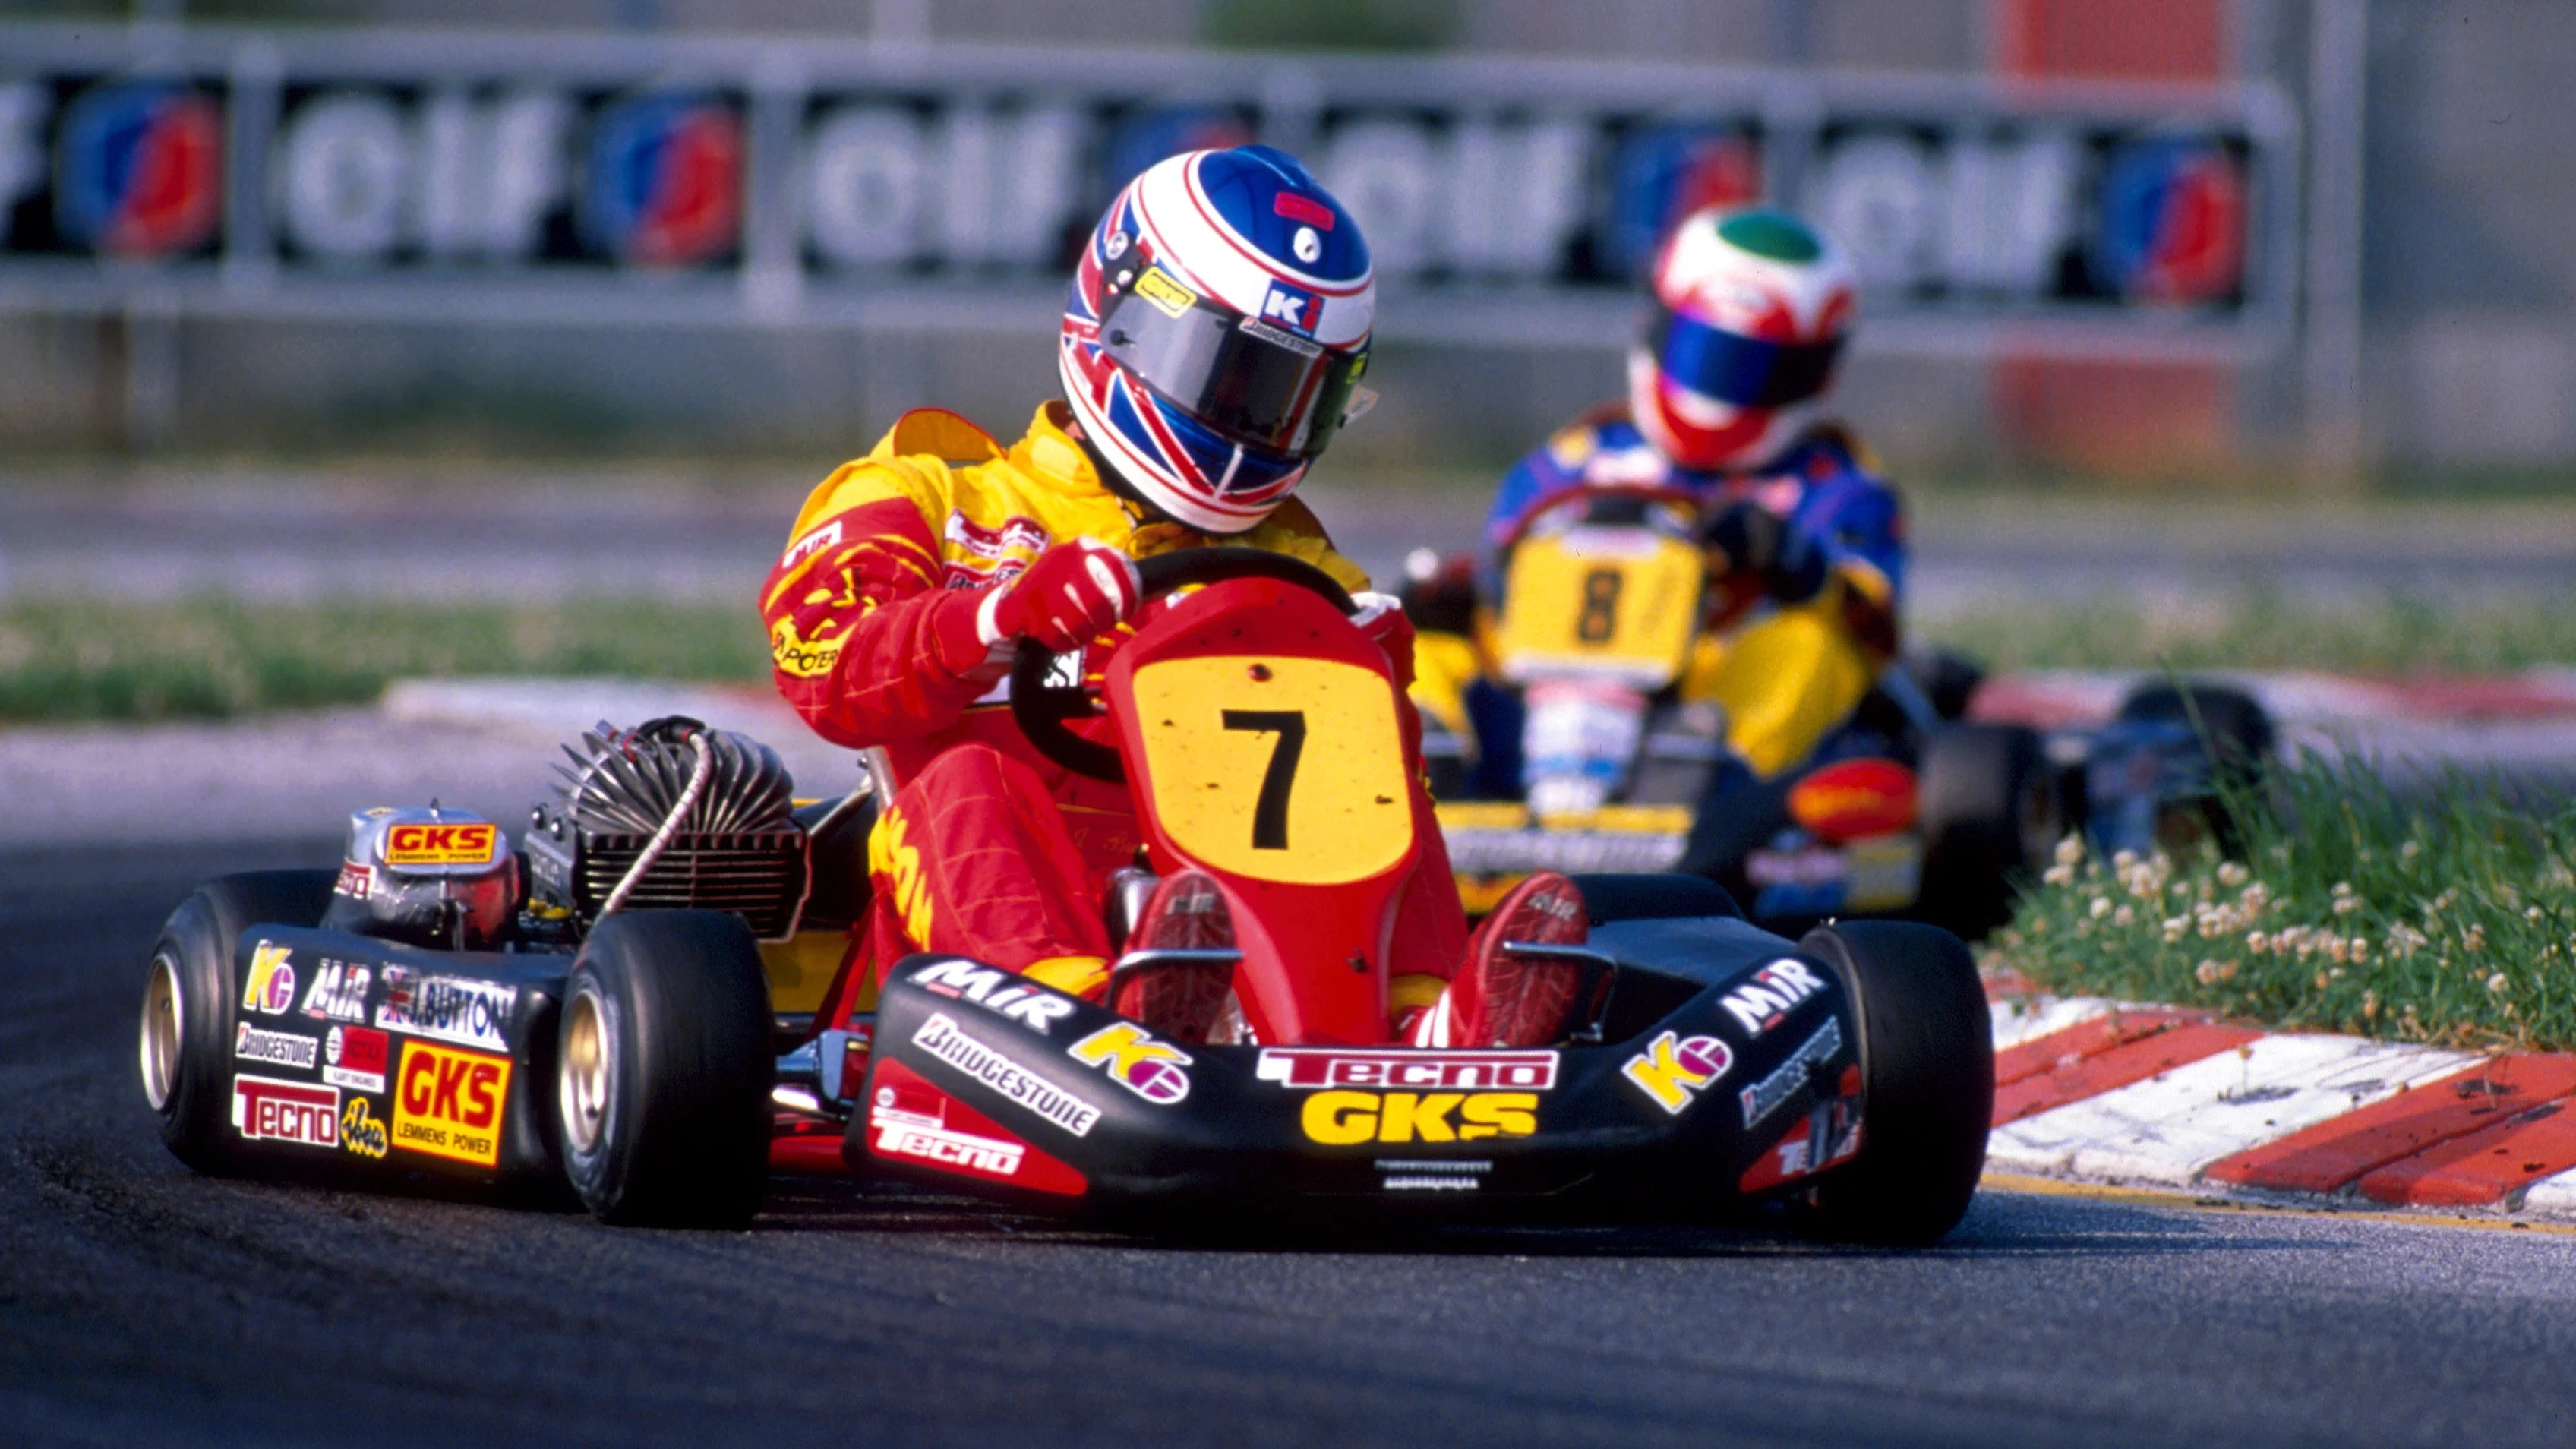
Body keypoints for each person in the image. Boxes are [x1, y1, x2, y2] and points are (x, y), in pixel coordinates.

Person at [760, 145, 1585, 1050]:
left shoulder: (1297, 560)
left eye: (1289, 398)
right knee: (964, 777)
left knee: (1380, 761)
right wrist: (996, 618)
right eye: (1230, 377)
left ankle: (1420, 1019)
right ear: (1122, 320)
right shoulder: (930, 497)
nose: (1252, 423)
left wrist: (1370, 666)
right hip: (978, 925)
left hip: (1244, 926)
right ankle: (1086, 1010)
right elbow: (824, 673)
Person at [1431, 206, 1906, 877]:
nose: (1720, 384)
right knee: (1420, 640)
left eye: (1754, 367)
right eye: (1703, 352)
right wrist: (1445, 597)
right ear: (1653, 328)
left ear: (1813, 372)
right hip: (1537, 700)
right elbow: (1494, 590)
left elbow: (1876, 624)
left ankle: (1701, 783)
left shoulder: (1834, 484)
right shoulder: (1577, 457)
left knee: (1811, 646)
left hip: (1709, 694)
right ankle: (1427, 768)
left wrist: (1790, 558)